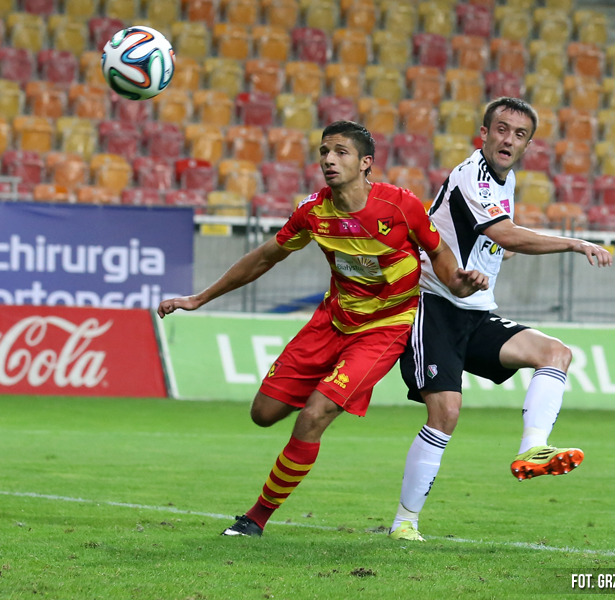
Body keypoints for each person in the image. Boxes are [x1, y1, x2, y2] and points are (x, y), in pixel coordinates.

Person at [158, 121, 488, 537]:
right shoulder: (313, 211)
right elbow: (264, 257)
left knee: (314, 415)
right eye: (324, 151)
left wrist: (457, 281)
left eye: (340, 152)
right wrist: (199, 298)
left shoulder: (401, 205)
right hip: (331, 321)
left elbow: (437, 252)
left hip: (384, 328)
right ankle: (324, 398)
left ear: (366, 163)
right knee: (263, 414)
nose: (329, 160)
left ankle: (255, 518)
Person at [388, 98, 613, 542]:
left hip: (476, 312)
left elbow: (493, 238)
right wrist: (574, 243)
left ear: (528, 144)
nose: (509, 139)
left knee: (556, 353)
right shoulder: (472, 174)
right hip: (433, 306)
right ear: (484, 133)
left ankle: (533, 448)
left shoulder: (503, 181)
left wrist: (497, 249)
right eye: (502, 129)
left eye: (519, 134)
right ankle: (404, 523)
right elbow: (504, 233)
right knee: (446, 412)